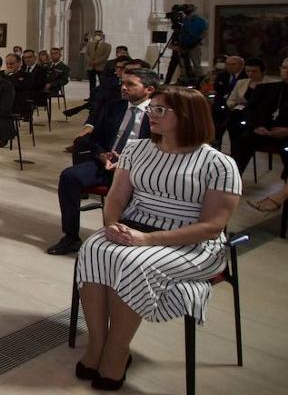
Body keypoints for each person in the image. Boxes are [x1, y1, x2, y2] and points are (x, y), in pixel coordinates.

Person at [74, 86, 240, 390]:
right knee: (93, 249)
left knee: (133, 261)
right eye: (152, 109)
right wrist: (111, 225)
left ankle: (117, 351)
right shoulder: (137, 149)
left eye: (161, 110)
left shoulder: (218, 164)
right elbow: (115, 200)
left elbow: (212, 226)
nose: (152, 114)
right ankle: (97, 343)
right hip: (135, 225)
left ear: (188, 116)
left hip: (192, 242)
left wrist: (149, 240)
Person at [46, 68, 159, 255]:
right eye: (123, 83)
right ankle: (71, 236)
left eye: (130, 84)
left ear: (149, 89)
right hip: (106, 163)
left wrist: (129, 163)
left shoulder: (156, 113)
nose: (123, 87)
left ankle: (124, 239)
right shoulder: (115, 106)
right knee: (69, 177)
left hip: (138, 170)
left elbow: (160, 149)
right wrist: (102, 155)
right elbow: (95, 138)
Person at [231, 57, 288, 175]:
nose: (286, 71)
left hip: (286, 135)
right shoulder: (266, 88)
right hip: (262, 131)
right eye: (284, 67)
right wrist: (256, 126)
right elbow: (250, 110)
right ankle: (233, 179)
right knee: (243, 141)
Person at [165, 4, 208, 85]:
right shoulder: (183, 20)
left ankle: (200, 81)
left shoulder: (200, 21)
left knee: (196, 64)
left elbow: (204, 33)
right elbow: (178, 31)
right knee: (183, 64)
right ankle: (185, 79)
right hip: (183, 44)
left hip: (194, 44)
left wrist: (196, 41)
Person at [210, 55, 245, 149]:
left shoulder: (245, 77)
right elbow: (217, 89)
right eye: (227, 64)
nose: (230, 66)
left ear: (241, 65)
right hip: (221, 106)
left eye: (233, 64)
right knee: (216, 123)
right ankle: (216, 146)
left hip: (237, 107)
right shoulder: (222, 75)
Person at [84, 30, 112, 95]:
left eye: (99, 34)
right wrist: (90, 60)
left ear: (102, 35)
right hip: (90, 66)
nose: (97, 36)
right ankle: (92, 96)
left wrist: (96, 61)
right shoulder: (90, 44)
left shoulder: (107, 45)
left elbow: (105, 56)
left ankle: (102, 95)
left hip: (101, 67)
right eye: (96, 34)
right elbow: (86, 54)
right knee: (92, 83)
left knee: (102, 82)